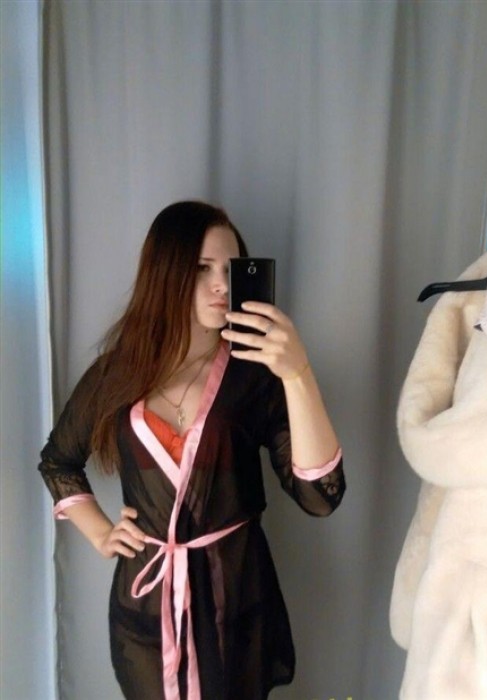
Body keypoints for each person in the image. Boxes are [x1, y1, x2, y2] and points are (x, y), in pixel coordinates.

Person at [39, 200, 345, 700]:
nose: (221, 285)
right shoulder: (117, 374)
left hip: (235, 595)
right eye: (202, 269)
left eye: (230, 268)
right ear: (166, 272)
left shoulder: (255, 375)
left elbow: (321, 496)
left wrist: (298, 373)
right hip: (147, 605)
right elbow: (58, 460)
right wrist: (100, 533)